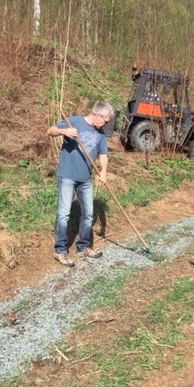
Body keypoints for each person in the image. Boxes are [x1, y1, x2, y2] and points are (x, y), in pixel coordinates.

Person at [47, 101, 114, 267]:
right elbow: (50, 131)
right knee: (63, 213)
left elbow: (103, 155)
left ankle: (83, 247)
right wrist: (64, 131)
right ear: (97, 114)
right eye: (105, 120)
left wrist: (103, 171)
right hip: (67, 175)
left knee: (88, 214)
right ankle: (60, 250)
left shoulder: (100, 134)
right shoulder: (74, 121)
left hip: (85, 178)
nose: (106, 124)